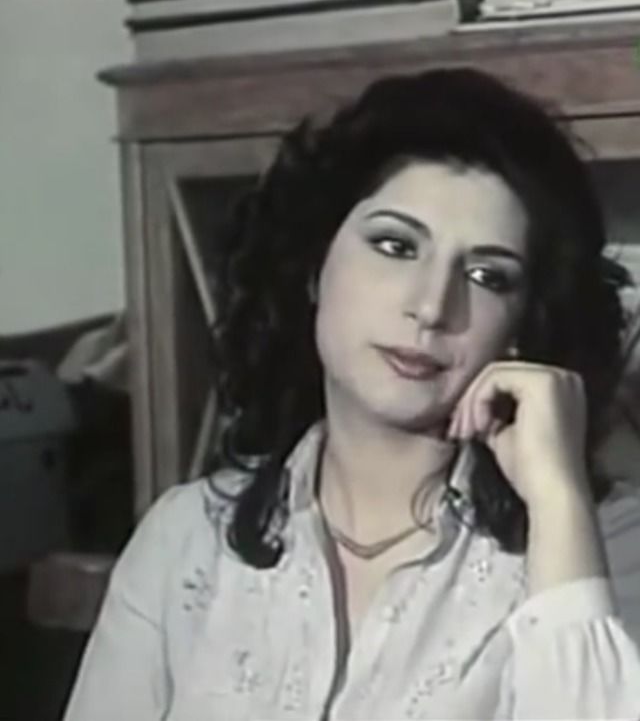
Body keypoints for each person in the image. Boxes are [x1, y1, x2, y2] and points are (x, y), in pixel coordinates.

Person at [64, 67, 640, 720]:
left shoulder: (606, 542)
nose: (432, 306)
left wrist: (559, 501)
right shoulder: (185, 540)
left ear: (520, 328)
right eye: (395, 246)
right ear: (314, 266)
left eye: (486, 275)